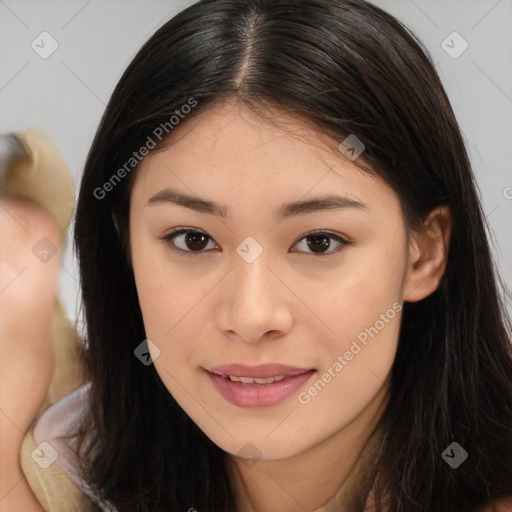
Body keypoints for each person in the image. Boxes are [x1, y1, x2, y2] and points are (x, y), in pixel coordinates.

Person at [3, 0, 512, 510]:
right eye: (193, 239)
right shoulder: (63, 456)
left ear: (422, 255)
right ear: (124, 246)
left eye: (319, 242)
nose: (251, 317)